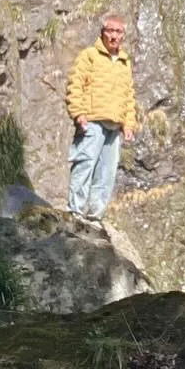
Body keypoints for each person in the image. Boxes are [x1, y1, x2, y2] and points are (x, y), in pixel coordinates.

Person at [64, 12, 137, 221]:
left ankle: (95, 217)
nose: (114, 36)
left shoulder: (124, 62)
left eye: (118, 31)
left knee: (107, 173)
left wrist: (128, 124)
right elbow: (75, 84)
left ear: (123, 35)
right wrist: (78, 113)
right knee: (85, 164)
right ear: (102, 32)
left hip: (114, 125)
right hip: (92, 120)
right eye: (110, 30)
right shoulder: (89, 55)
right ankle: (75, 212)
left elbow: (129, 95)